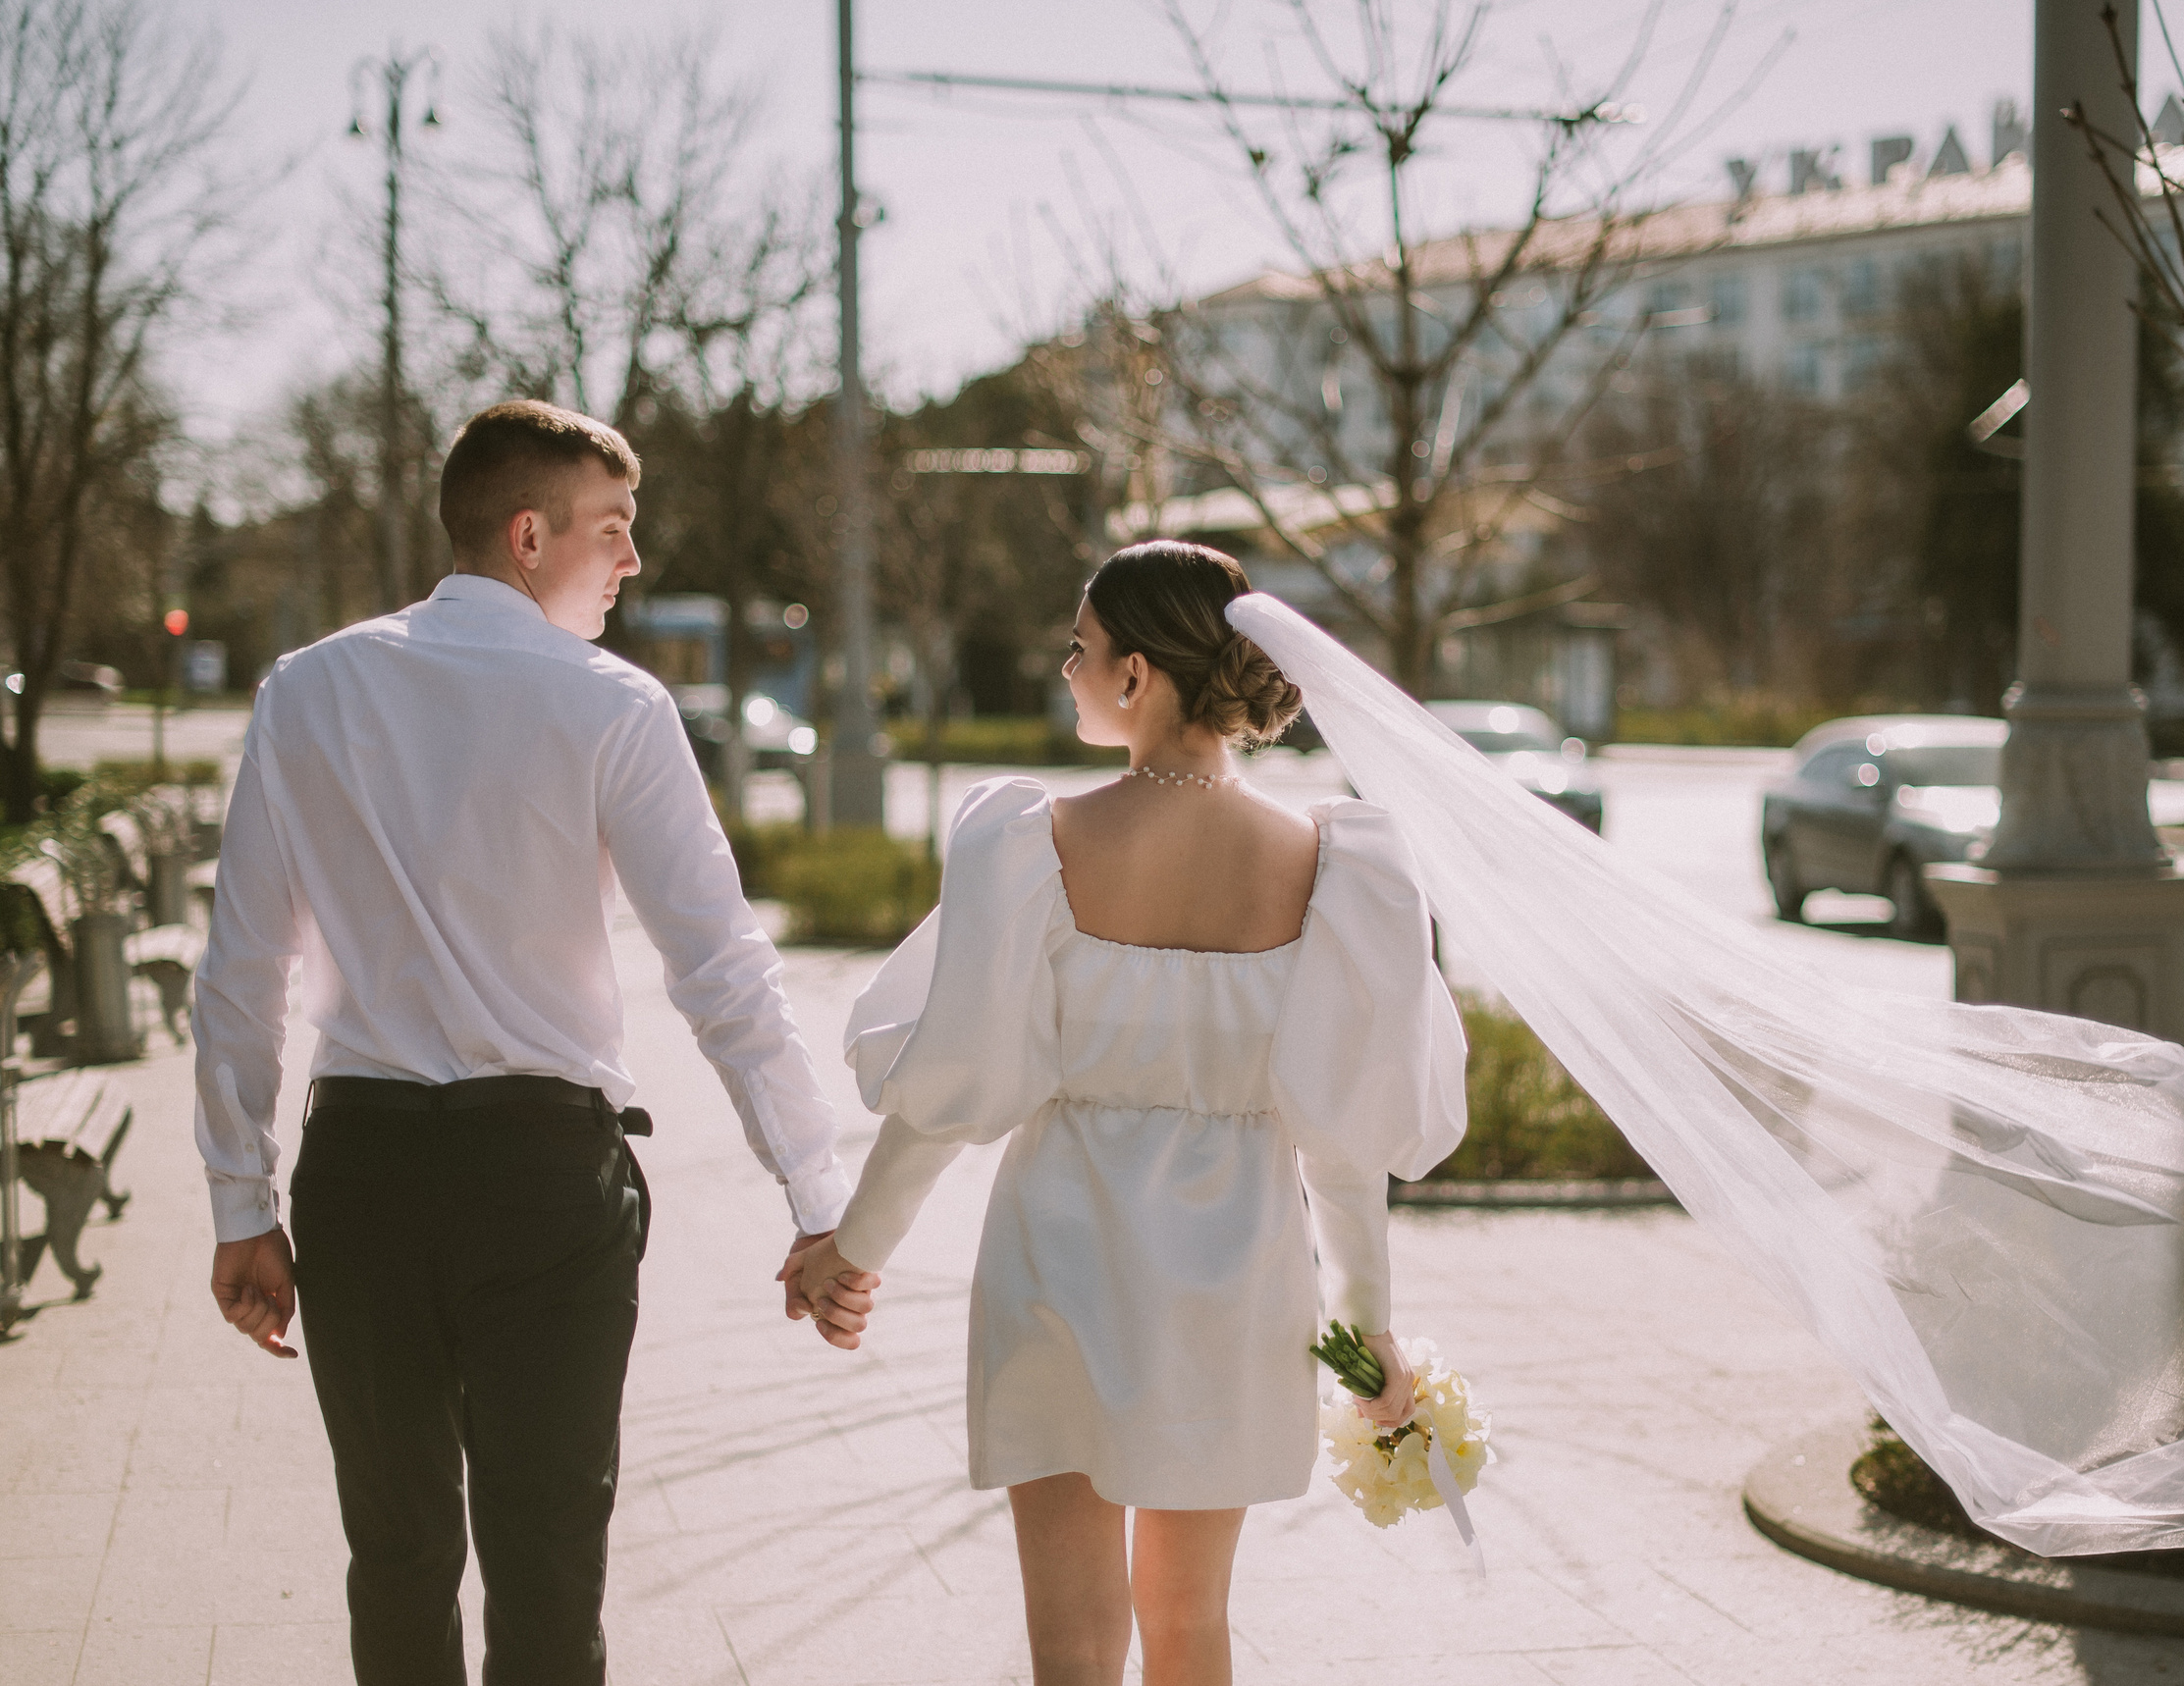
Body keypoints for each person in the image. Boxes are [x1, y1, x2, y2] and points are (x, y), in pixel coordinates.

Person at [195, 398, 879, 1686]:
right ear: (528, 533)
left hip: (363, 1175)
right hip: (544, 1182)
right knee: (550, 1555)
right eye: (613, 530)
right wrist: (815, 1196)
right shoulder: (611, 707)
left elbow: (244, 966)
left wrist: (242, 1200)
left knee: (393, 1551)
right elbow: (720, 964)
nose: (631, 561)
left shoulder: (309, 689)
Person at [786, 540, 1465, 1686]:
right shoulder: (1332, 865)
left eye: (1080, 648)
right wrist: (1368, 1331)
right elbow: (1342, 1142)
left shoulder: (1030, 842)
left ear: (1137, 674)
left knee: (1072, 1637)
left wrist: (852, 1250)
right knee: (1193, 1620)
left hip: (1063, 1253)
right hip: (1240, 1270)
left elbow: (952, 1094)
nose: (1066, 668)